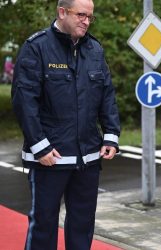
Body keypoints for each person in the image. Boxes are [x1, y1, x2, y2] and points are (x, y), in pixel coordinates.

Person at [11, 0, 120, 249]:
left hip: (88, 158)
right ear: (62, 12)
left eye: (90, 17)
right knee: (44, 225)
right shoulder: (36, 48)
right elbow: (24, 101)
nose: (86, 21)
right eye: (81, 15)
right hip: (50, 157)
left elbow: (106, 94)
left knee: (82, 225)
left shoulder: (94, 49)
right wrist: (40, 146)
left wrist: (111, 133)